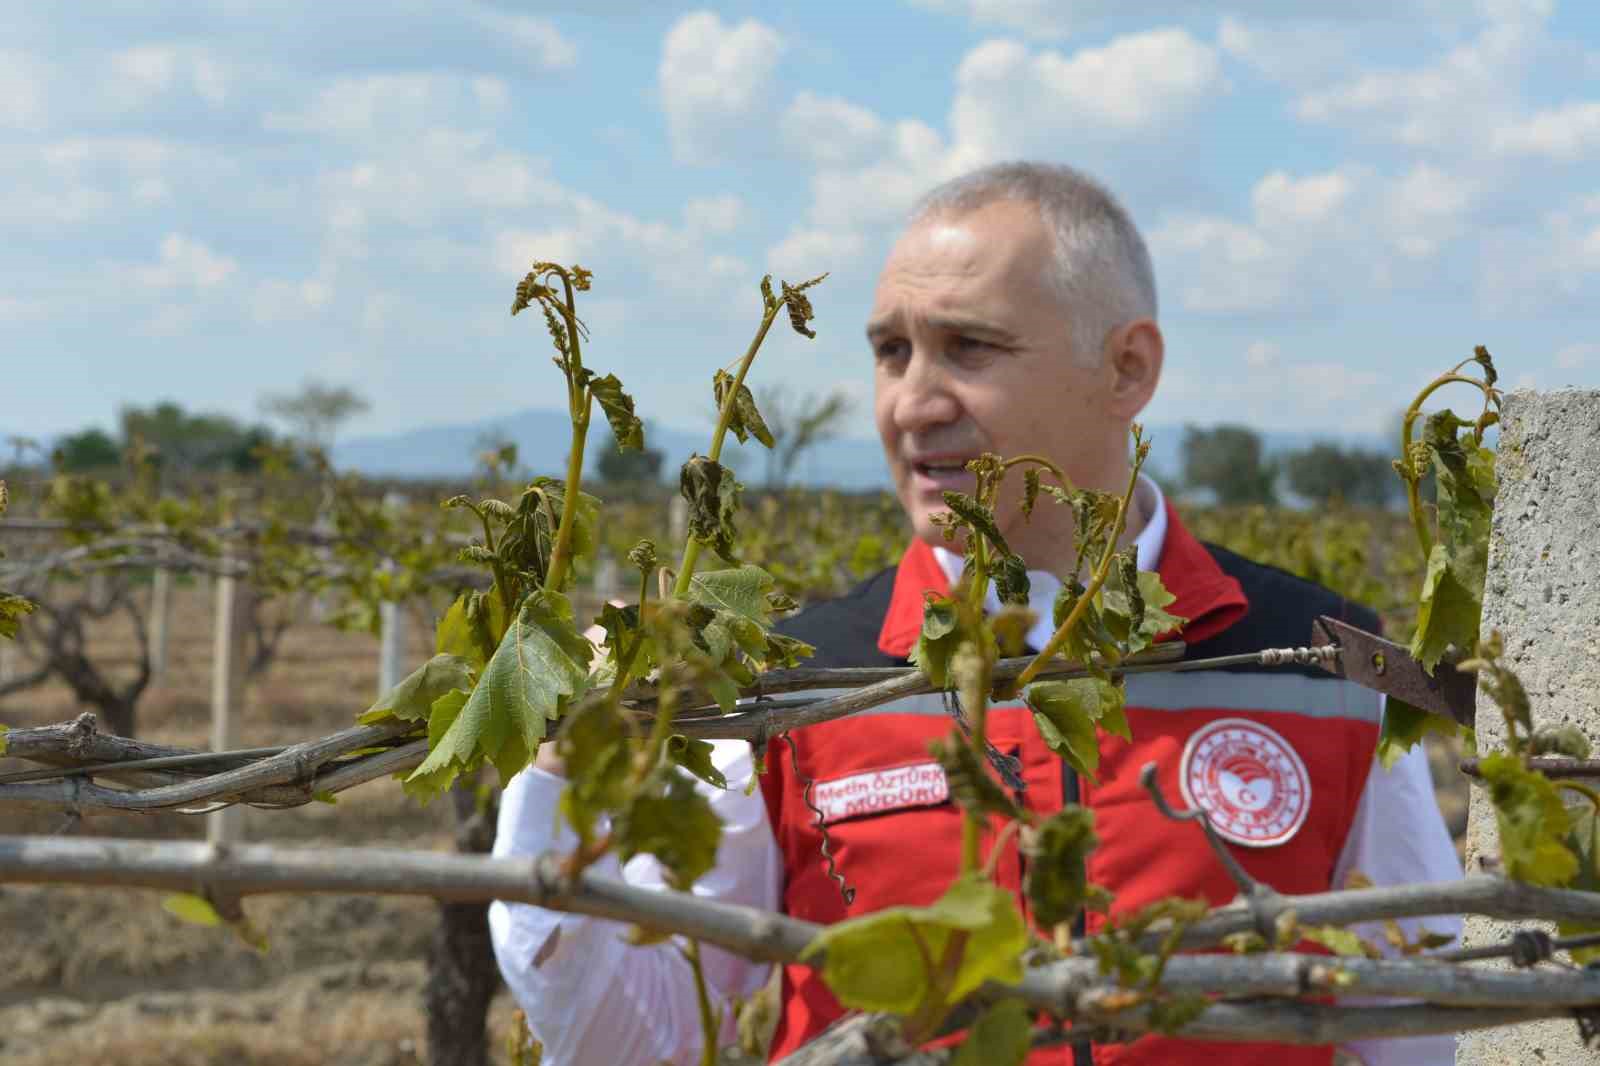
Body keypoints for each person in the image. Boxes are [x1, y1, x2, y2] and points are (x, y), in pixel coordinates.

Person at [489, 162, 1462, 1066]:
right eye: (890, 351)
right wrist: (553, 791)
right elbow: (635, 1036)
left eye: (967, 347)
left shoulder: (1327, 660)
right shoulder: (796, 678)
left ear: (1127, 370)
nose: (911, 403)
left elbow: (1412, 1021)